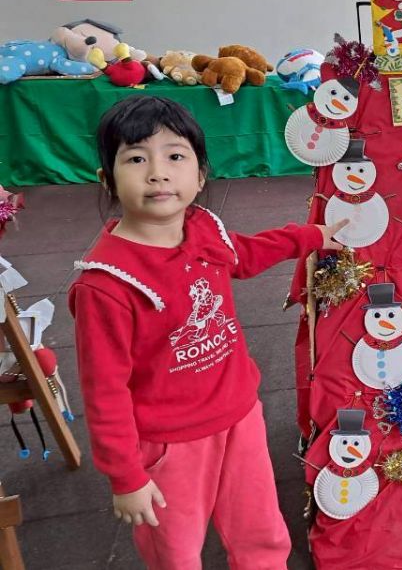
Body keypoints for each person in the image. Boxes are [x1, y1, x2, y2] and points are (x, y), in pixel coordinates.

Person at [68, 96, 346, 569]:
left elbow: (245, 253)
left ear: (199, 176)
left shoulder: (201, 231)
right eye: (136, 159)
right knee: (175, 552)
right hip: (169, 444)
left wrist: (309, 237)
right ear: (106, 179)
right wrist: (126, 478)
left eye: (175, 156)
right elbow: (104, 392)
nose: (158, 173)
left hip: (240, 416)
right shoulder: (107, 284)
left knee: (260, 533)